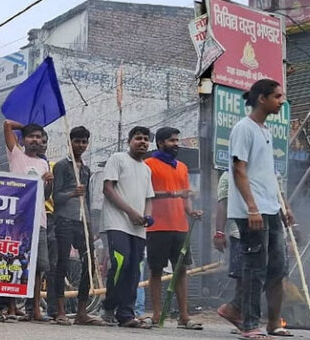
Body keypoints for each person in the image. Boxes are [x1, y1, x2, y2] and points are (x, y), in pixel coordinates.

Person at [227, 78, 293, 340]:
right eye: (277, 96)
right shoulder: (244, 129)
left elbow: (269, 176)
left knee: (277, 266)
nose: (281, 101)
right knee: (255, 267)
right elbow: (238, 169)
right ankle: (249, 324)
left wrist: (284, 206)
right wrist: (252, 208)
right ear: (262, 98)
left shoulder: (265, 131)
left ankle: (272, 322)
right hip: (251, 210)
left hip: (270, 207)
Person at [145, 126, 203, 329]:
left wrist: (191, 211)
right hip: (157, 226)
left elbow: (185, 197)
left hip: (180, 225)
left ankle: (184, 316)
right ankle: (156, 313)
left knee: (181, 270)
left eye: (177, 140)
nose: (176, 144)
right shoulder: (148, 164)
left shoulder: (182, 167)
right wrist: (173, 194)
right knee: (156, 270)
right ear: (160, 143)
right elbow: (147, 194)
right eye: (172, 140)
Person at [101, 126, 155, 328]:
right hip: (118, 222)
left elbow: (150, 198)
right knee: (120, 264)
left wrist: (146, 215)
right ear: (129, 141)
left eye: (146, 139)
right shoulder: (118, 159)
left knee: (134, 269)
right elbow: (108, 189)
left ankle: (126, 313)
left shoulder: (147, 169)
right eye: (138, 138)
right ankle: (109, 305)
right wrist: (130, 212)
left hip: (139, 228)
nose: (142, 142)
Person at [52, 125, 104, 326]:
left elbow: (88, 200)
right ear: (70, 142)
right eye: (77, 141)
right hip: (64, 220)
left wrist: (92, 224)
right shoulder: (62, 166)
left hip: (83, 221)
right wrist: (72, 193)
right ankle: (60, 310)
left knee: (89, 263)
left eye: (84, 142)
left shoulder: (86, 169)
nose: (81, 145)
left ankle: (82, 311)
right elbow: (56, 197)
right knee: (62, 264)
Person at [3, 120, 54, 322]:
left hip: (39, 219)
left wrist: (49, 182)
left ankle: (35, 309)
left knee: (39, 265)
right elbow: (7, 124)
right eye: (31, 136)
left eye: (39, 137)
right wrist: (26, 125)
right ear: (23, 139)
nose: (35, 140)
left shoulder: (44, 163)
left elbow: (46, 195)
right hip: (17, 219)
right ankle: (12, 307)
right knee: (15, 263)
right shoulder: (16, 154)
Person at [214, 170, 244, 329]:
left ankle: (240, 312)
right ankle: (235, 310)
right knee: (243, 275)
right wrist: (219, 232)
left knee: (260, 274)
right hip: (239, 232)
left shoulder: (266, 172)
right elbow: (222, 204)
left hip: (263, 232)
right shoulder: (228, 176)